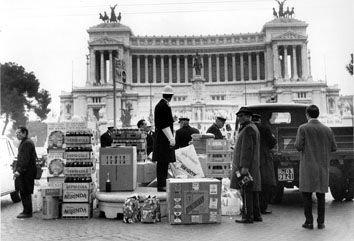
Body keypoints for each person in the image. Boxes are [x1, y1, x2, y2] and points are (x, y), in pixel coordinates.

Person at [294, 105, 337, 230]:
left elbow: (298, 146)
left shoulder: (303, 128)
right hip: (322, 167)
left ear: (307, 114)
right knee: (321, 196)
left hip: (307, 167)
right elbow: (334, 147)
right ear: (318, 114)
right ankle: (321, 222)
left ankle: (308, 222)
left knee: (307, 195)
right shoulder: (328, 130)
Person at [230, 107, 262, 224]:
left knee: (247, 190)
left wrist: (244, 166)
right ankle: (256, 215)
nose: (239, 118)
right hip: (251, 165)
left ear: (248, 116)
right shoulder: (251, 128)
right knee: (253, 190)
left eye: (242, 116)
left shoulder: (248, 129)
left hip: (247, 166)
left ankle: (248, 216)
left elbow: (247, 149)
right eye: (238, 116)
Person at [252, 113, 277, 214]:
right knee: (265, 183)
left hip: (252, 158)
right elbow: (272, 142)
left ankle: (253, 207)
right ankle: (263, 207)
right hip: (263, 158)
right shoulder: (265, 128)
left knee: (252, 183)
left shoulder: (247, 128)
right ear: (260, 120)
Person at [152, 85, 176, 192]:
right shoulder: (164, 106)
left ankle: (162, 184)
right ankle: (162, 185)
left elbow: (164, 121)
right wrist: (171, 138)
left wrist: (172, 120)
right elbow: (164, 124)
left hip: (161, 138)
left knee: (163, 162)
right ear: (170, 96)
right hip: (163, 139)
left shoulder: (160, 105)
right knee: (163, 162)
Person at [13, 126, 37, 218]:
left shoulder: (27, 143)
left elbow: (25, 159)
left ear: (24, 133)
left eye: (18, 133)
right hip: (26, 171)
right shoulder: (25, 142)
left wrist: (19, 171)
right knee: (23, 191)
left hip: (27, 172)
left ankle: (27, 212)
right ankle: (26, 210)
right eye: (16, 133)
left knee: (25, 191)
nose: (17, 135)